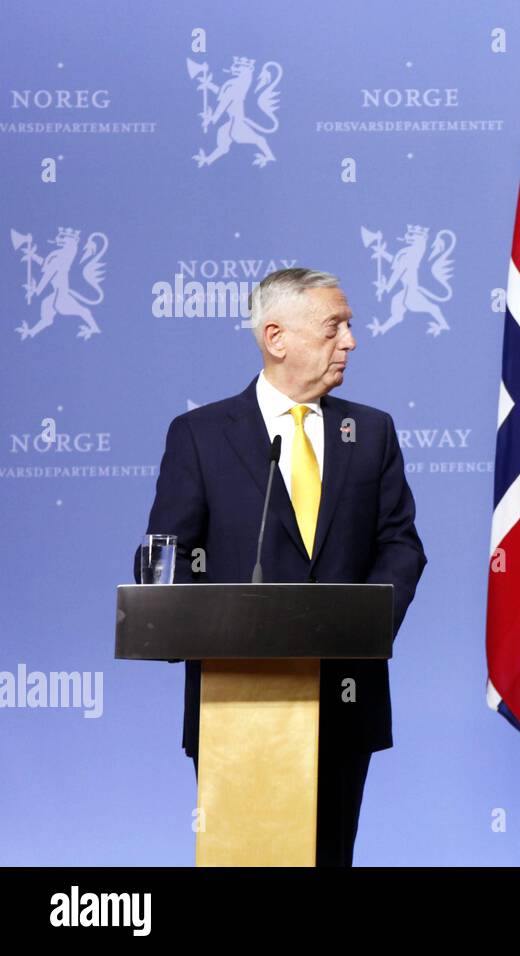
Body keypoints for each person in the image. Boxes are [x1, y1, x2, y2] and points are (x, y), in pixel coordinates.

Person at [136, 268, 426, 866]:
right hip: (237, 701)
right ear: (276, 337)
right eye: (334, 327)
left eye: (349, 326)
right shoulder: (201, 435)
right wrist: (201, 619)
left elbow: (400, 545)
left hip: (344, 696)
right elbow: (163, 554)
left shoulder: (370, 432)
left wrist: (360, 625)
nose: (350, 340)